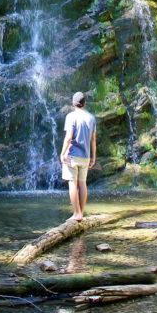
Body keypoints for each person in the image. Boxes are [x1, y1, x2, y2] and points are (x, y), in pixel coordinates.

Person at [59, 91, 96, 221]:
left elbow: (69, 137)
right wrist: (93, 157)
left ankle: (76, 213)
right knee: (82, 184)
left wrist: (63, 152)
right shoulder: (91, 118)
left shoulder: (71, 117)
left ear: (73, 104)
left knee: (72, 183)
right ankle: (81, 212)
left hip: (73, 155)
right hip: (85, 156)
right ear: (85, 103)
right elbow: (93, 139)